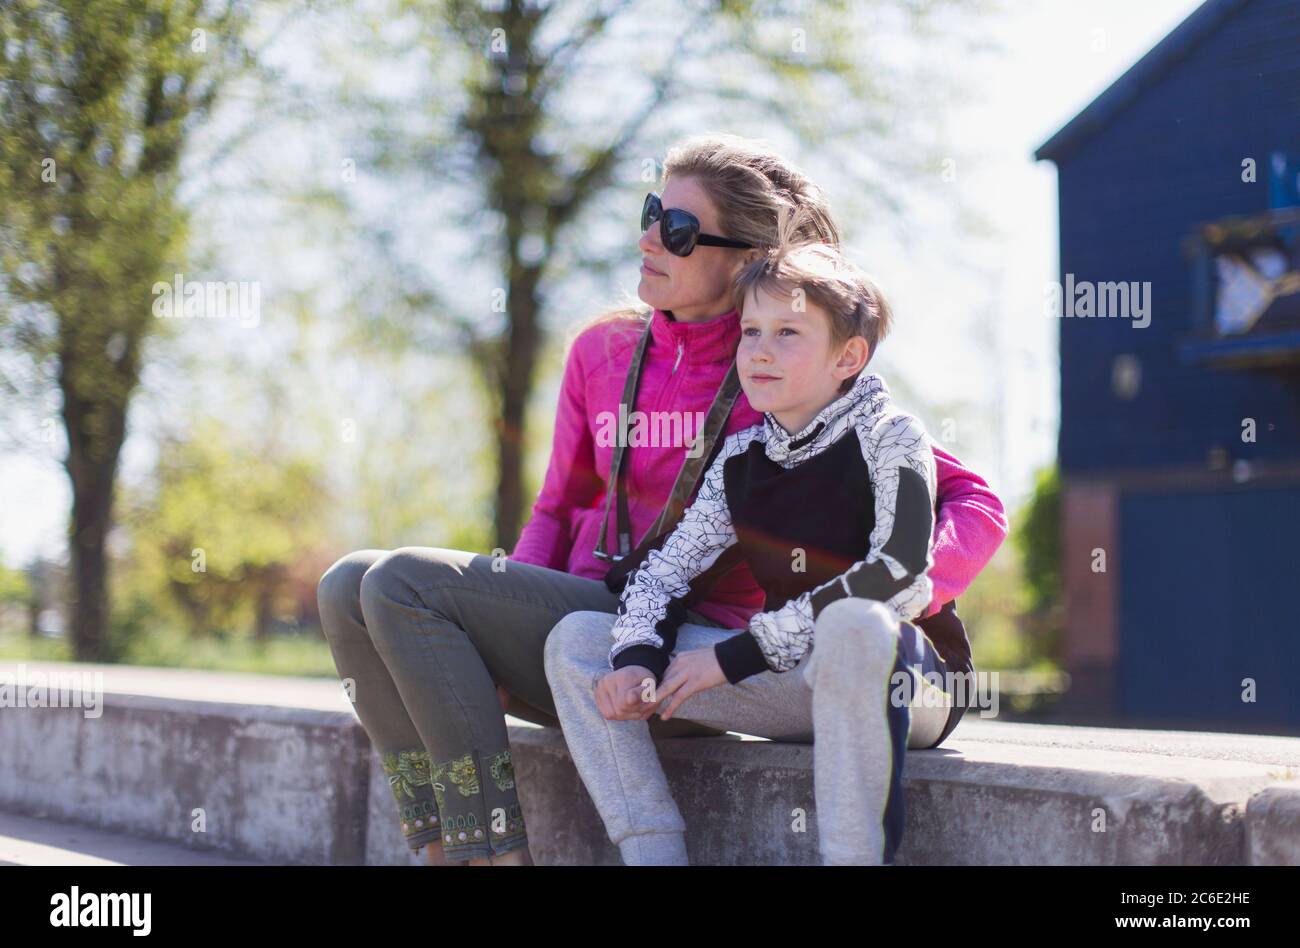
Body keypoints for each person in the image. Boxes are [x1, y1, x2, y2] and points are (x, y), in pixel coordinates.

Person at [316, 133, 1007, 866]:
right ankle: (438, 846)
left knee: (400, 581)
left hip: (703, 643)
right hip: (596, 620)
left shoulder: (779, 377)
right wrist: (488, 624)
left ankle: (492, 856)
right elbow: (558, 505)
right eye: (652, 212)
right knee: (344, 584)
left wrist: (884, 602)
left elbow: (974, 500)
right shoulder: (601, 351)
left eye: (677, 230)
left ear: (745, 261)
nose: (649, 237)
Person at [544, 215, 988, 865]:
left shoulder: (892, 437)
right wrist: (638, 656)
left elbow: (898, 574)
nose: (758, 351)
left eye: (787, 334)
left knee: (855, 626)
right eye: (751, 331)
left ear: (848, 357)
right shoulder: (742, 458)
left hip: (904, 683)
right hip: (790, 681)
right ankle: (653, 855)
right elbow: (667, 570)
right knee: (579, 639)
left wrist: (732, 657)